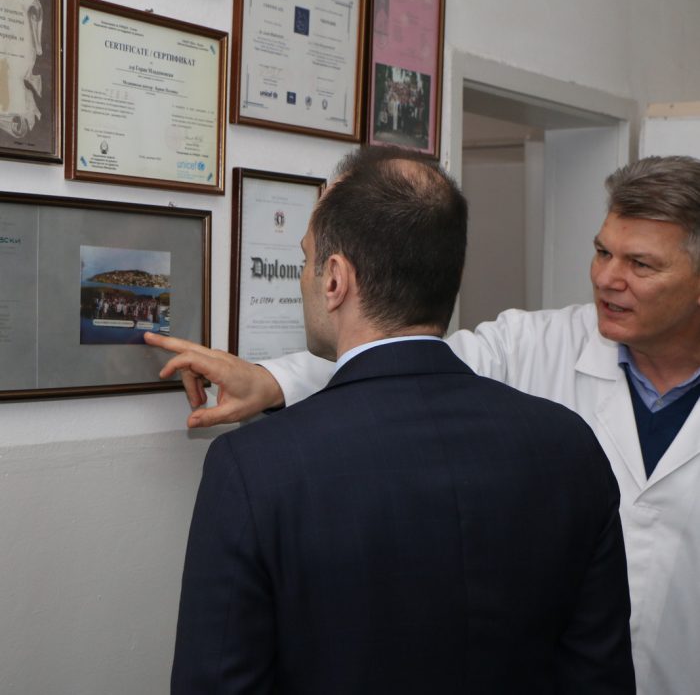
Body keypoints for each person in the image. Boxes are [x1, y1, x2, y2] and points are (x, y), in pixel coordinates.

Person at [148, 154, 700, 695]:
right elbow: (410, 367)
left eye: (641, 264)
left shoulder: (250, 468)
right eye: (602, 252)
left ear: (334, 279)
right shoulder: (548, 371)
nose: (607, 278)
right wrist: (270, 380)